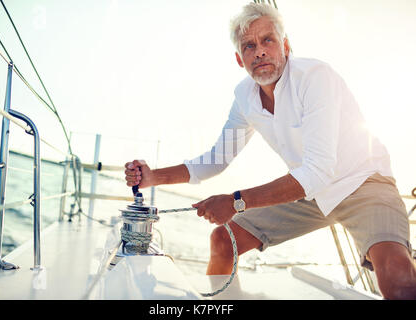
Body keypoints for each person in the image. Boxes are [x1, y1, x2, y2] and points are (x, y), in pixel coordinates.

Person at [124, 2, 416, 299]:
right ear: (240, 59)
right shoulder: (244, 97)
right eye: (249, 46)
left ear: (285, 46)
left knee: (398, 281)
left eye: (268, 40)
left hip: (363, 183)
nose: (259, 51)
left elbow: (317, 170)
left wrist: (236, 201)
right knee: (224, 240)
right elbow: (216, 159)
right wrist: (151, 177)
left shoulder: (315, 77)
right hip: (310, 191)